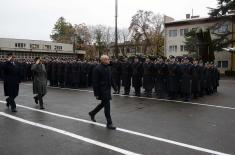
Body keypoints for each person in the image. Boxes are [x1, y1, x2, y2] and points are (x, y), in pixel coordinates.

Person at [88, 55, 116, 130]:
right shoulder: (97, 69)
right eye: (107, 59)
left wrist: (115, 87)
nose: (109, 60)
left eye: (109, 59)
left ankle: (92, 113)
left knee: (103, 104)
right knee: (107, 106)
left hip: (107, 89)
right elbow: (95, 82)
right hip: (102, 90)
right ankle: (109, 123)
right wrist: (96, 93)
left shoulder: (108, 67)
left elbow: (111, 78)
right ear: (103, 60)